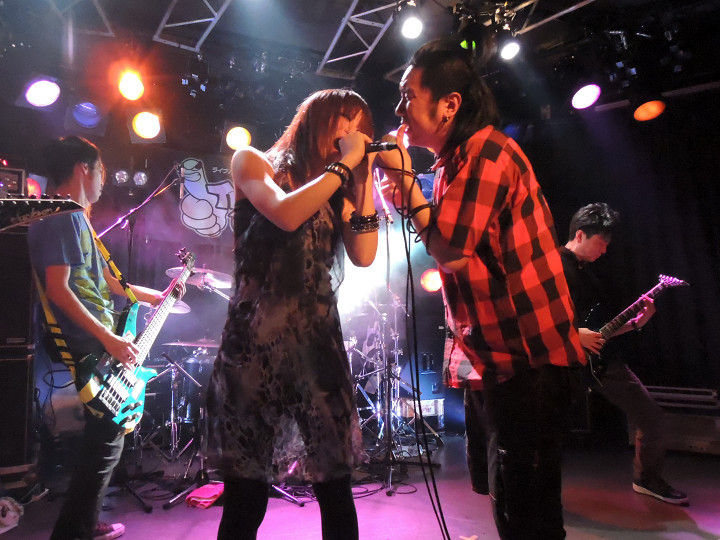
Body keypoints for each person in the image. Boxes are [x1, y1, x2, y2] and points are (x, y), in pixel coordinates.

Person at [375, 38, 585, 539]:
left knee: (529, 512)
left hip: (529, 359)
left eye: (408, 95)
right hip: (497, 358)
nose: (399, 109)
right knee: (507, 497)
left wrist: (408, 186)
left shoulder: (487, 151)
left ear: (449, 104)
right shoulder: (452, 164)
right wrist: (405, 191)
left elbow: (450, 250)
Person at [205, 89, 379, 540]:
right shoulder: (253, 162)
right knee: (247, 496)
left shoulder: (338, 188)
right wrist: (346, 166)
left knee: (335, 486)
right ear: (317, 120)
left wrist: (364, 181)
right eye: (346, 121)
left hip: (317, 348)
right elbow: (286, 214)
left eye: (360, 127)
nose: (353, 133)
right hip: (255, 350)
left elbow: (363, 255)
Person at [27, 136, 180, 539]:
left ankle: (82, 523)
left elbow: (111, 282)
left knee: (103, 440)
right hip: (89, 342)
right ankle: (74, 531)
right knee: (106, 441)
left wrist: (159, 296)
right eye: (101, 170)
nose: (103, 179)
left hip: (98, 339)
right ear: (84, 168)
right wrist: (108, 340)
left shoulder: (74, 217)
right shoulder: (62, 215)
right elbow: (59, 289)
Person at [560, 202, 688, 505]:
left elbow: (597, 333)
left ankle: (647, 479)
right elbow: (534, 319)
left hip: (599, 363)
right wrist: (574, 335)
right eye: (601, 242)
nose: (605, 250)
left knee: (652, 418)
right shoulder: (552, 267)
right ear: (580, 235)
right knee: (545, 433)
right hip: (560, 364)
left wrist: (635, 324)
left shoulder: (587, 275)